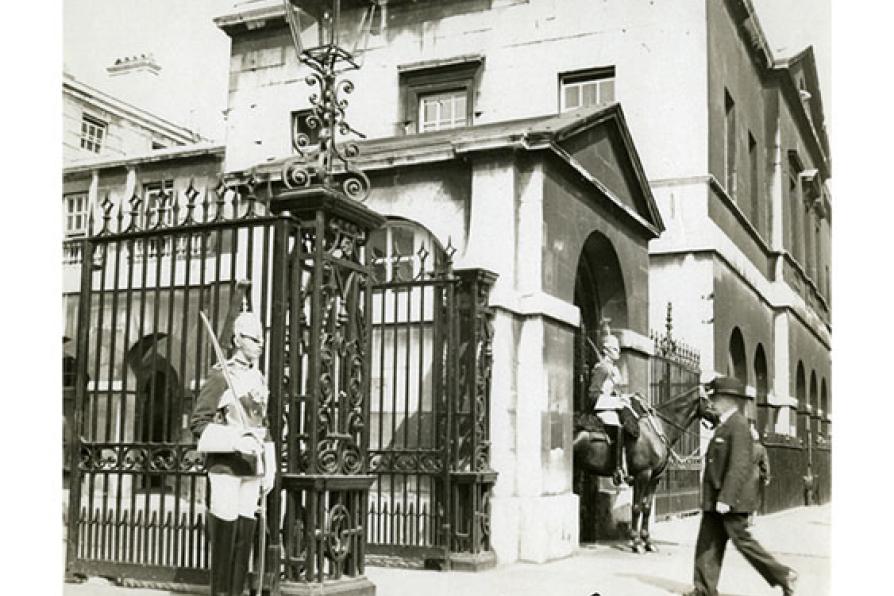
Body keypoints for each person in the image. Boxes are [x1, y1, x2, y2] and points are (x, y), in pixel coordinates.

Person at [684, 376, 797, 596]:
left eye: (715, 397)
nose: (712, 402)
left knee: (743, 542)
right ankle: (704, 590)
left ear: (728, 399)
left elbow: (739, 465)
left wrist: (726, 498)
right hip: (717, 497)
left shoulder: (738, 425)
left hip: (730, 501)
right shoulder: (726, 424)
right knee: (708, 542)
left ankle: (784, 576)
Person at [190, 310, 276, 596]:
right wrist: (235, 440)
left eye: (262, 339)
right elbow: (199, 423)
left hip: (252, 466)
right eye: (254, 339)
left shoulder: (259, 378)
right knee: (225, 538)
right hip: (226, 465)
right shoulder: (221, 376)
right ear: (238, 339)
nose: (260, 344)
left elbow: (264, 425)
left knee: (244, 537)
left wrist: (270, 464)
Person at [590, 333, 639, 485]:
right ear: (606, 350)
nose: (618, 352)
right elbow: (593, 394)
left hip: (610, 403)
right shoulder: (602, 369)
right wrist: (615, 401)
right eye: (614, 349)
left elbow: (614, 391)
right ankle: (617, 468)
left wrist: (624, 397)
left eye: (618, 349)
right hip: (601, 405)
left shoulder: (612, 369)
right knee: (617, 425)